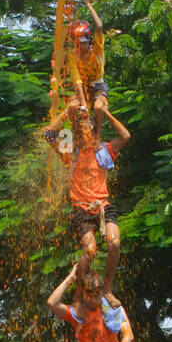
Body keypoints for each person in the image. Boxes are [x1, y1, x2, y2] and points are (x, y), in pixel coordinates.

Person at [44, 96, 129, 288]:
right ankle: (79, 292)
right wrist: (67, 111)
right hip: (81, 209)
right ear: (77, 132)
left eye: (89, 128)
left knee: (114, 244)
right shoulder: (70, 152)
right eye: (81, 128)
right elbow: (49, 134)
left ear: (93, 132)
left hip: (103, 206)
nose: (85, 132)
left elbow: (125, 136)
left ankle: (107, 289)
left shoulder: (103, 151)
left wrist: (104, 112)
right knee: (90, 251)